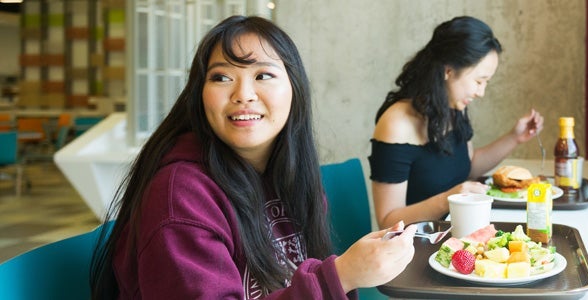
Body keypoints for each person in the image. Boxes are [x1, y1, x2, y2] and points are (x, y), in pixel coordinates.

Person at [90, 15, 416, 299]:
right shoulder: (179, 196)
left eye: (263, 75)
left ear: (294, 87)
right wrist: (341, 275)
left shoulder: (290, 173)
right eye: (221, 77)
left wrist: (354, 270)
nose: (243, 94)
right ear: (199, 95)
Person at [369, 16, 544, 229]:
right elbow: (387, 221)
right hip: (414, 246)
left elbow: (467, 167)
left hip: (454, 234)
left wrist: (515, 137)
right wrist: (447, 199)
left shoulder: (452, 107)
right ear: (448, 70)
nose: (481, 92)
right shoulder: (396, 124)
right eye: (479, 81)